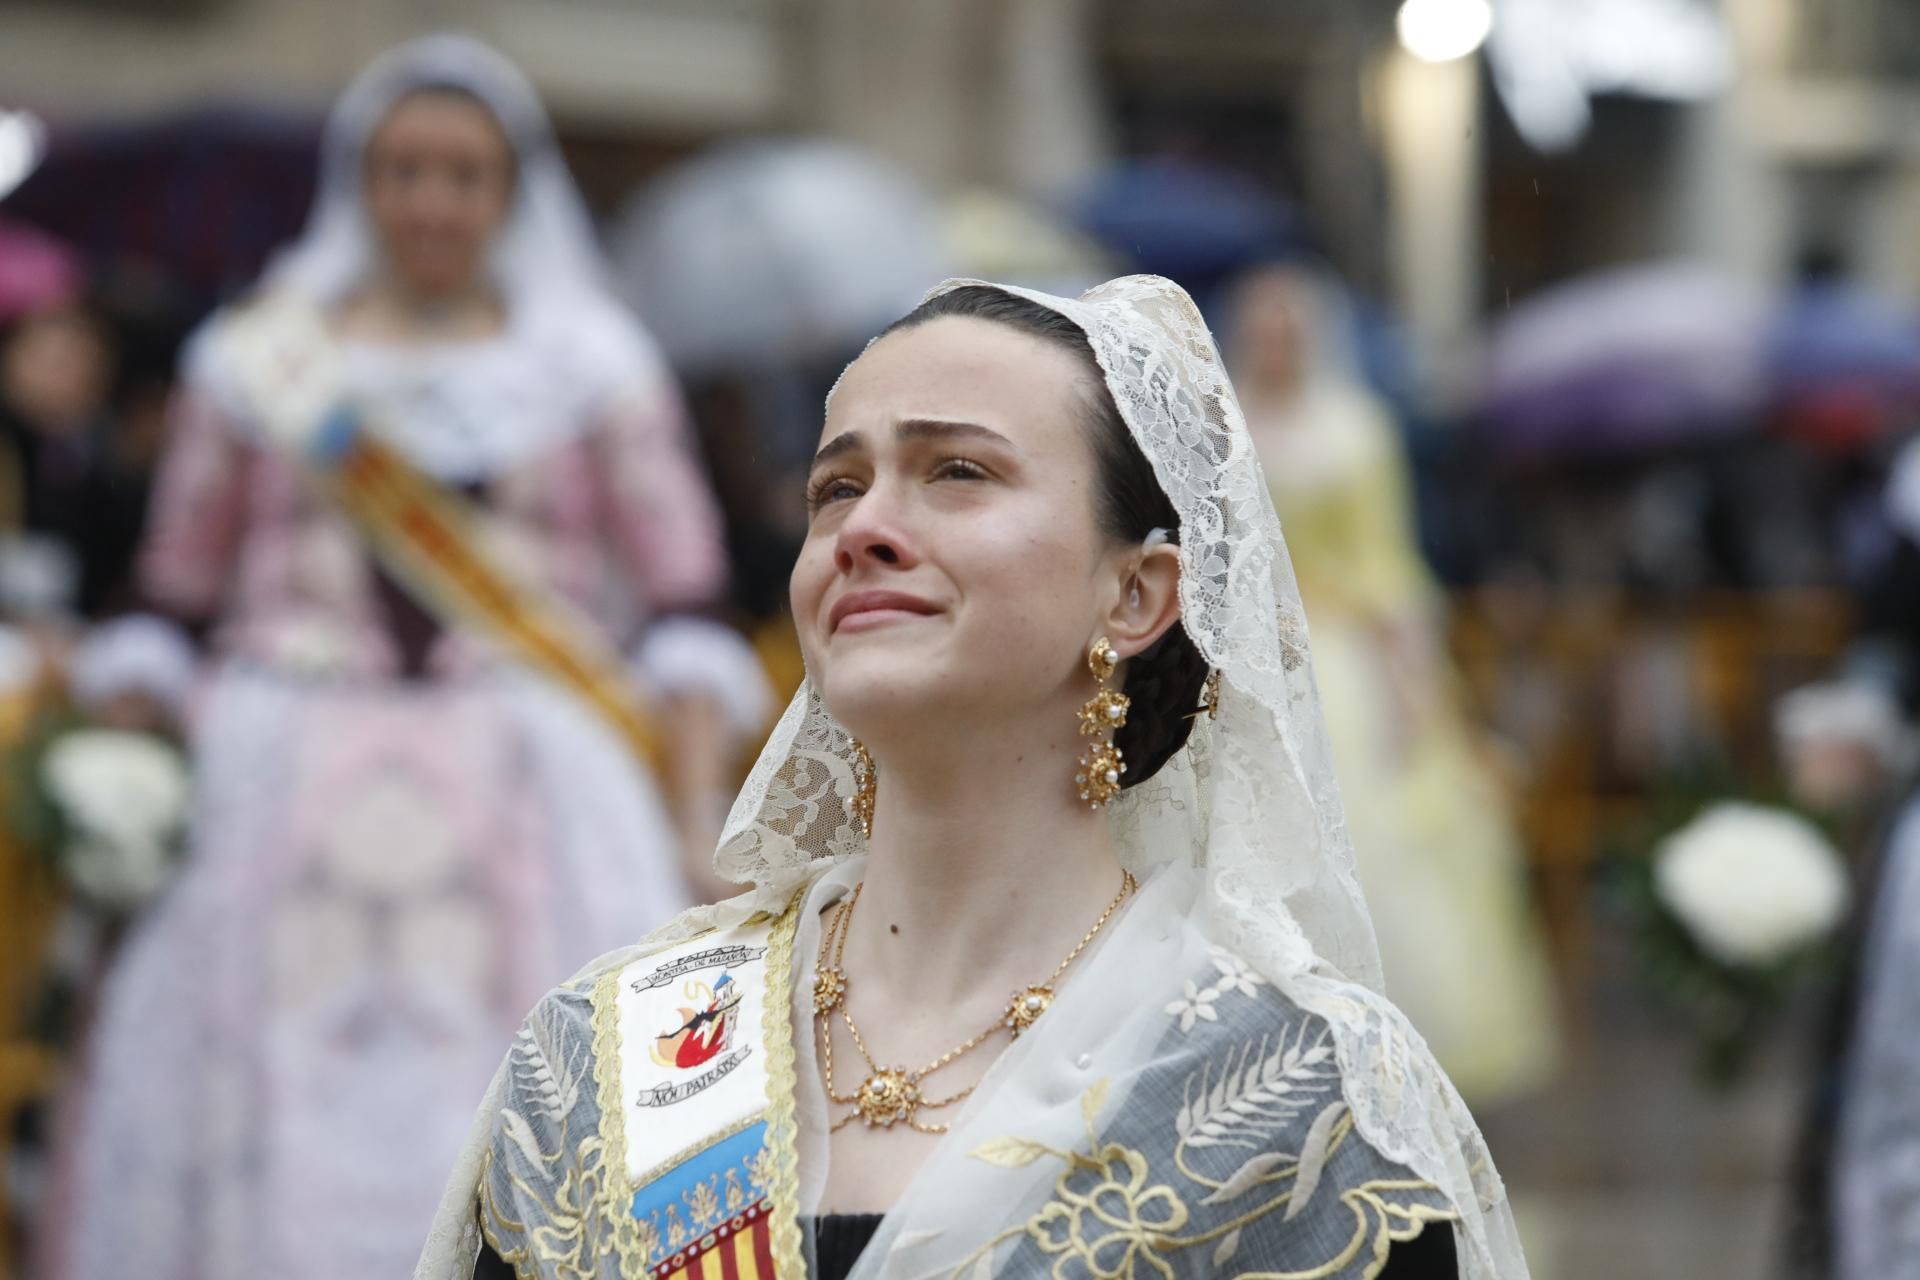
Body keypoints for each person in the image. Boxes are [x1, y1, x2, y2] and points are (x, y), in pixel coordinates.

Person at [418, 276, 1530, 1280]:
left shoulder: (1298, 1098)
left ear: (1137, 594)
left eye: (958, 471)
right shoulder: (604, 1058)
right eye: (834, 487)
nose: (865, 529)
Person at [39, 36, 764, 1280]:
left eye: (464, 174)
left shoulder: (592, 368)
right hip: (278, 770)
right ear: (359, 183)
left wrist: (697, 816)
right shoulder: (258, 361)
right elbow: (170, 593)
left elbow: (687, 610)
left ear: (511, 191)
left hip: (537, 776)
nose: (432, 201)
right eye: (405, 170)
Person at [1227, 264, 1557, 1107]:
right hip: (1249, 644)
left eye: (1287, 329)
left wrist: (1412, 678)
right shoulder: (1225, 422)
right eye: (1262, 329)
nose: (1275, 346)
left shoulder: (1355, 430)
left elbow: (1386, 562)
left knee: (1376, 830)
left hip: (1340, 649)